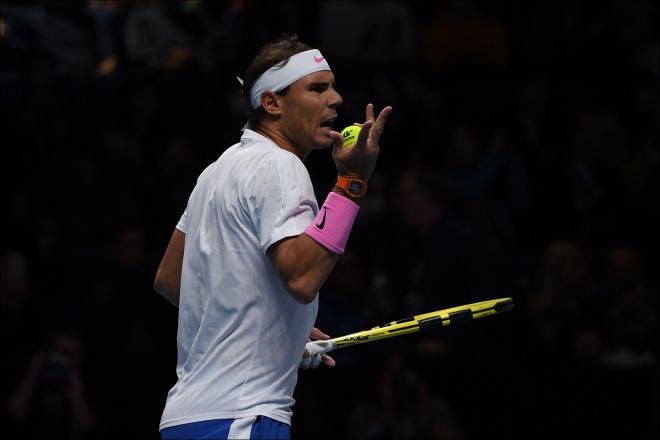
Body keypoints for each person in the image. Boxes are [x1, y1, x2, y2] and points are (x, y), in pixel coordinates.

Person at [153, 34, 392, 439]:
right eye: (317, 88)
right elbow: (301, 278)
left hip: (186, 418)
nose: (335, 99)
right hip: (241, 415)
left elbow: (170, 279)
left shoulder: (215, 172)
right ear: (272, 103)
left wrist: (279, 329)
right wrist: (352, 181)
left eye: (333, 86)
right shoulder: (281, 166)